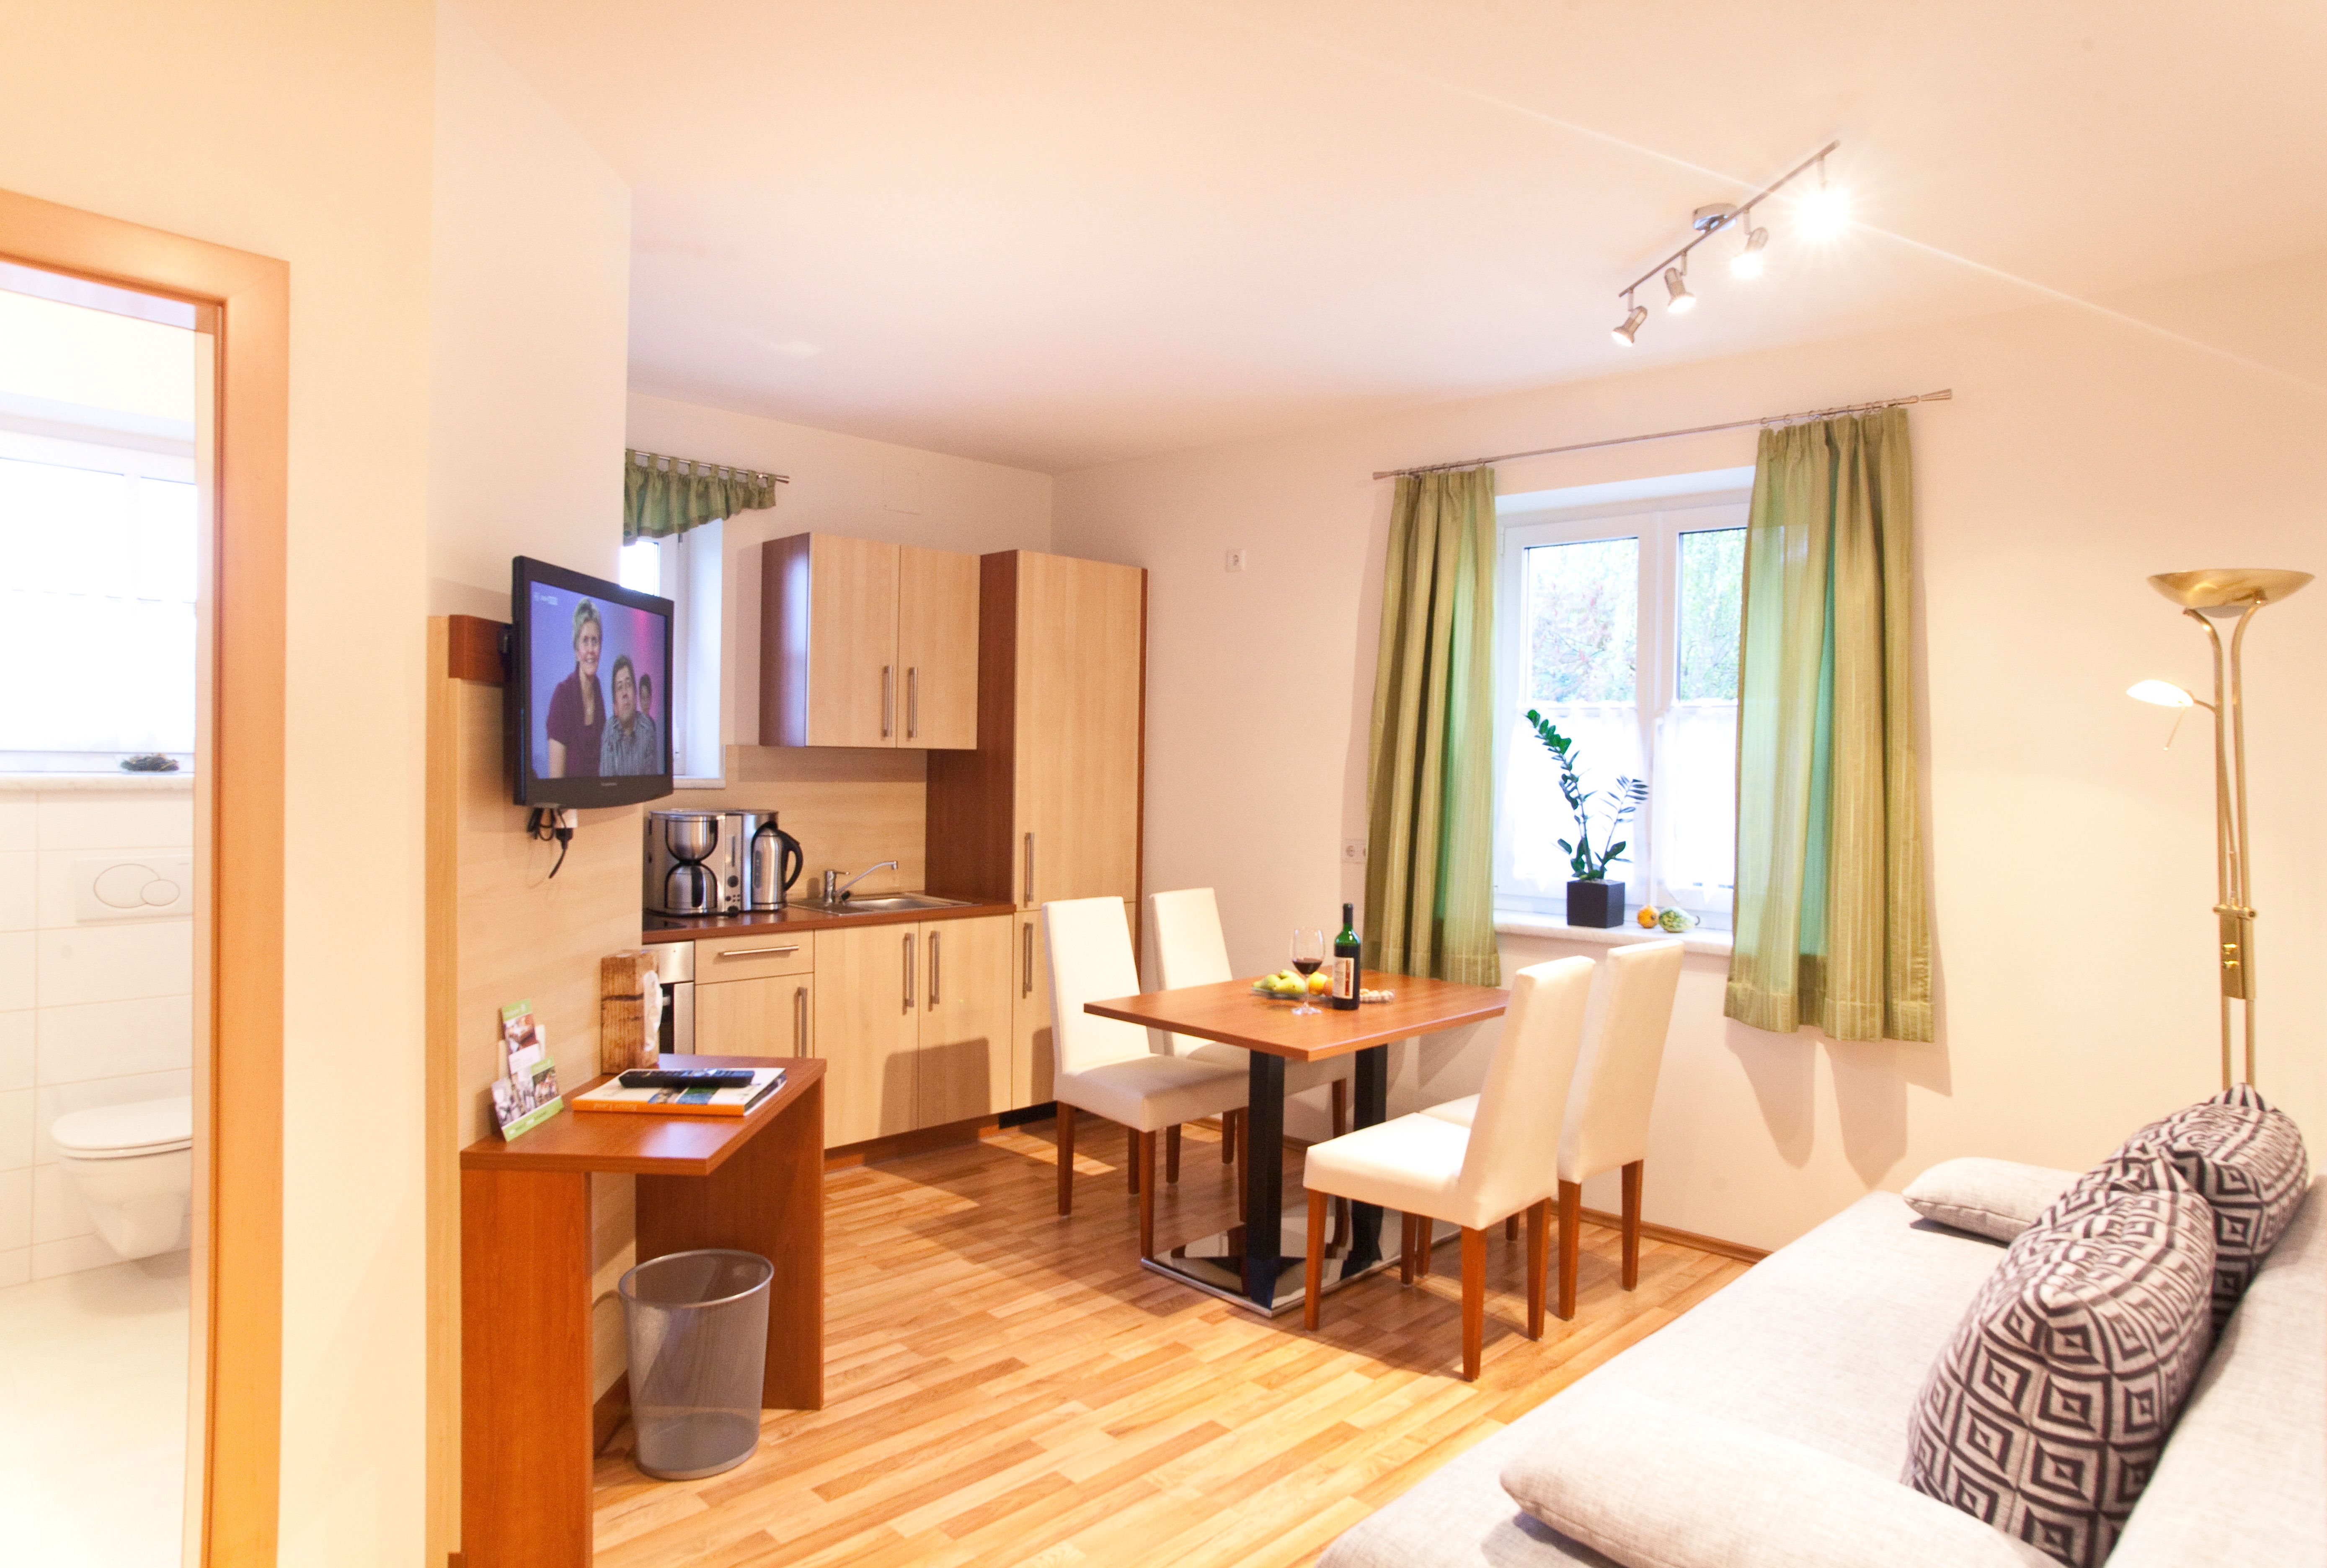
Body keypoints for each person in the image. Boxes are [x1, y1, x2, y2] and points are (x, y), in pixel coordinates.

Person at [542, 598, 603, 778]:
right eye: (585, 641)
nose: (591, 650)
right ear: (577, 651)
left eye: (595, 641)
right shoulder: (562, 696)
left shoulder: (598, 691)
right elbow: (556, 782)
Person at [599, 655, 661, 776]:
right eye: (620, 688)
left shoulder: (647, 728)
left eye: (628, 685)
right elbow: (607, 782)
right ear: (615, 706)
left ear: (636, 696)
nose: (625, 694)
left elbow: (650, 783)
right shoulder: (609, 730)